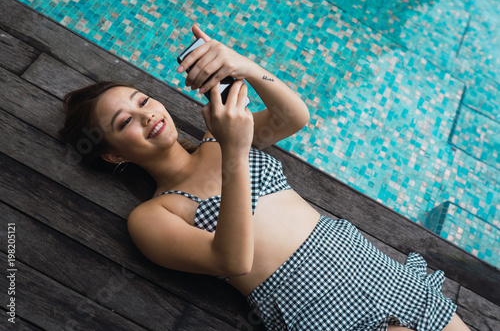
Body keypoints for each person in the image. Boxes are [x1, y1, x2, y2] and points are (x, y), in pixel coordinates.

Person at [60, 24, 470, 331]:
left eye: (143, 100)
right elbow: (233, 260)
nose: (147, 113)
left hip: (371, 268)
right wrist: (236, 152)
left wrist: (246, 66)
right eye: (125, 120)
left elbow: (293, 117)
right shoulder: (154, 215)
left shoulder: (215, 139)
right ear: (112, 152)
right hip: (314, 307)